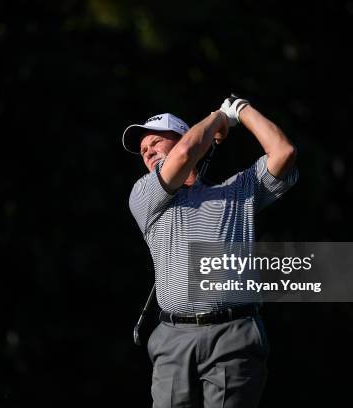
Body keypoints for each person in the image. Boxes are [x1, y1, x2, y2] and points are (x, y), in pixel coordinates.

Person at [123, 95, 299, 408]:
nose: (147, 151)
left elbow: (283, 152)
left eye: (155, 141)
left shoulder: (237, 191)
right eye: (142, 150)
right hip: (173, 341)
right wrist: (220, 117)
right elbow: (185, 155)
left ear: (182, 137)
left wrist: (240, 110)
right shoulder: (144, 195)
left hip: (234, 337)